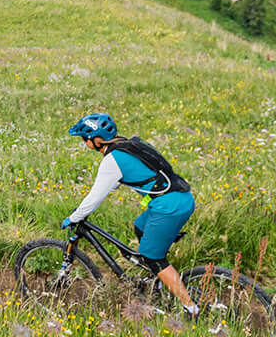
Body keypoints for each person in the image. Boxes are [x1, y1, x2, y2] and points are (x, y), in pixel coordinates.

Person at [61, 112, 200, 316]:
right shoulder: (127, 145)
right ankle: (160, 281)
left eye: (85, 139)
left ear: (96, 140)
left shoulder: (112, 161)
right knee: (140, 227)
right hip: (180, 198)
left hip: (169, 206)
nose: (84, 143)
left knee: (152, 257)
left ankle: (191, 308)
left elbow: (94, 198)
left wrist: (74, 217)